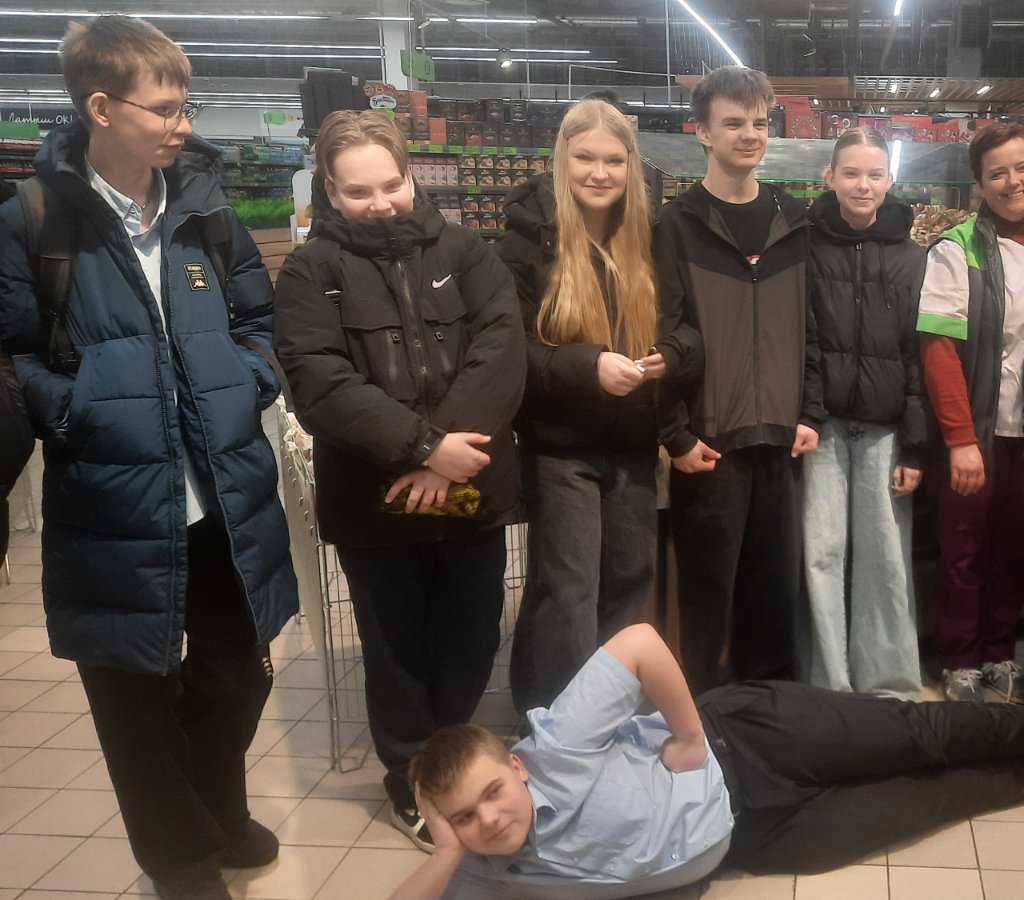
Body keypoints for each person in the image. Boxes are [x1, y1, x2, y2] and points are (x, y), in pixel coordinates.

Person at [0, 16, 297, 898]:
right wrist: (77, 410)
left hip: (223, 492)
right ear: (101, 108)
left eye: (184, 104)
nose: (183, 123)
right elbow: (13, 353)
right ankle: (179, 858)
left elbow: (258, 319)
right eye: (165, 107)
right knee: (131, 691)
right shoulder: (32, 221)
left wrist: (246, 381)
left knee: (238, 671)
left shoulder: (206, 210)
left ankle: (217, 808)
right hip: (112, 494)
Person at [389, 623, 1024, 899]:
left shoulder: (555, 749)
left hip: (749, 740)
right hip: (754, 838)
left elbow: (640, 643)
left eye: (491, 792)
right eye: (465, 818)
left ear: (515, 765)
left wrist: (686, 736)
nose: (489, 819)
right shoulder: (481, 868)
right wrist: (447, 849)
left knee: (916, 734)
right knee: (923, 801)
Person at [273, 110, 525, 851]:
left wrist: (442, 454)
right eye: (358, 191)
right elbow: (320, 382)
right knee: (394, 651)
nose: (380, 203)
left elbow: (502, 349)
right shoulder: (309, 273)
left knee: (472, 634)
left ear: (412, 176)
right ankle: (413, 779)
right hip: (375, 498)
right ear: (328, 189)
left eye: (392, 184)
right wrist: (422, 448)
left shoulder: (467, 252)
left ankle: (455, 758)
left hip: (470, 486)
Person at [497, 99, 695, 712]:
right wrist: (589, 366)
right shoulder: (524, 244)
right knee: (570, 590)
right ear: (562, 159)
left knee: (629, 581)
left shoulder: (651, 242)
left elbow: (685, 328)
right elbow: (512, 352)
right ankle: (558, 722)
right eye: (585, 158)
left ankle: (605, 710)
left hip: (634, 445)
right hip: (561, 448)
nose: (600, 173)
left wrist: (668, 354)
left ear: (632, 166)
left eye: (614, 160)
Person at [655, 65, 820, 693]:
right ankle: (704, 715)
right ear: (702, 132)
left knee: (773, 593)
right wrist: (675, 434)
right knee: (706, 597)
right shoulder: (677, 225)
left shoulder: (793, 220)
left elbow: (811, 325)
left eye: (759, 122)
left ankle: (769, 714)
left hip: (780, 439)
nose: (750, 134)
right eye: (733, 123)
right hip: (709, 443)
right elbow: (661, 334)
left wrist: (809, 411)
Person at [917, 122, 1024, 703]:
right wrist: (960, 439)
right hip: (979, 429)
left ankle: (1001, 650)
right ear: (979, 185)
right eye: (997, 174)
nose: (1013, 182)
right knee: (963, 550)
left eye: (1022, 168)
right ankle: (960, 657)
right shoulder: (955, 248)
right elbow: (939, 351)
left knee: (1014, 549)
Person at [802, 126, 929, 699]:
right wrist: (804, 414)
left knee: (885, 557)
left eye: (875, 174)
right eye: (850, 173)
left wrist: (916, 444)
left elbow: (917, 355)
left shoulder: (913, 258)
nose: (863, 184)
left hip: (885, 432)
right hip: (822, 428)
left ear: (890, 180)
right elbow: (800, 339)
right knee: (821, 555)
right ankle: (828, 686)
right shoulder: (804, 249)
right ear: (829, 177)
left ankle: (890, 686)